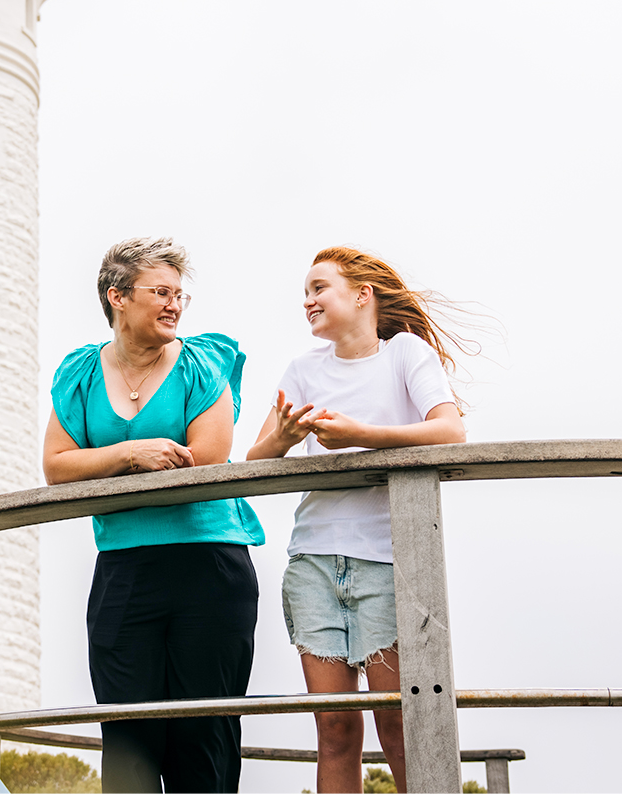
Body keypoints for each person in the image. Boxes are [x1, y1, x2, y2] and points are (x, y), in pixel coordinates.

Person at [43, 237, 264, 794]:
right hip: (123, 569)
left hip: (209, 564)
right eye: (161, 292)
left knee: (204, 738)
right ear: (117, 296)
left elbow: (204, 461)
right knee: (128, 738)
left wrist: (102, 469)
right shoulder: (79, 373)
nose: (175, 304)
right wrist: (129, 453)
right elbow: (56, 466)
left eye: (179, 294)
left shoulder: (202, 362)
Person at [245, 246, 470, 794]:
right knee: (337, 730)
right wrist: (285, 438)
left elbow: (450, 431)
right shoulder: (301, 370)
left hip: (389, 565)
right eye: (305, 292)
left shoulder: (404, 355)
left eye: (319, 288)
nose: (308, 301)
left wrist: (360, 437)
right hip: (314, 564)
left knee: (399, 724)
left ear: (361, 295)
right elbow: (254, 463)